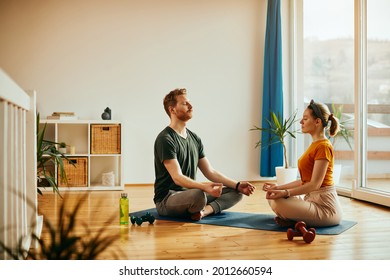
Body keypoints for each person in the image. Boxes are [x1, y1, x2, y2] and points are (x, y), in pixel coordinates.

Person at [154, 88, 256, 220]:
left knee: (236, 192)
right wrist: (203, 187)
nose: (191, 106)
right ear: (172, 109)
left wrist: (237, 184)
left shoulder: (194, 138)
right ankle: (198, 205)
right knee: (198, 195)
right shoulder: (165, 139)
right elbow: (177, 177)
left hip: (191, 194)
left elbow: (210, 172)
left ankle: (203, 212)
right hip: (167, 199)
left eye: (190, 103)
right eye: (185, 104)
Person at [263, 100, 343, 227]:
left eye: (305, 119)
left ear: (317, 121)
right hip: (311, 200)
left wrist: (285, 193)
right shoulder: (315, 145)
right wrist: (278, 188)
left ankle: (291, 218)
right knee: (272, 195)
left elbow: (315, 184)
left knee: (278, 202)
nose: (301, 122)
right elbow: (304, 181)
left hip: (325, 209)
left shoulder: (323, 147)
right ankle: (292, 218)